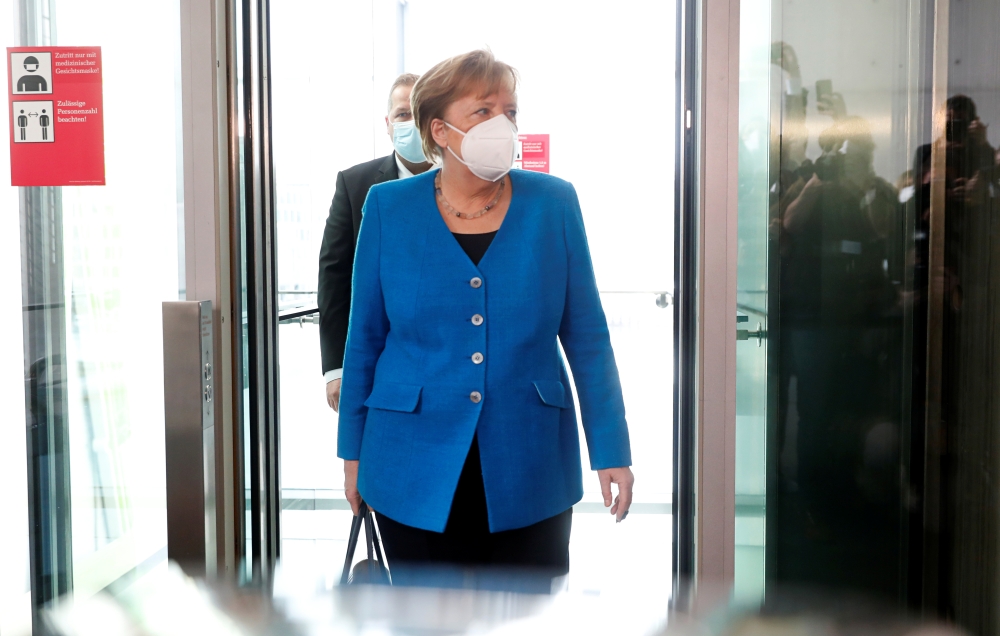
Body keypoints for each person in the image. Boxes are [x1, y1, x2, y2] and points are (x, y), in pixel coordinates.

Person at [337, 49, 634, 577]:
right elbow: (365, 339)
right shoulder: (387, 207)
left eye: (511, 111)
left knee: (524, 614)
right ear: (441, 129)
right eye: (483, 111)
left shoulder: (554, 203)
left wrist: (611, 448)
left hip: (530, 458)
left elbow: (587, 337)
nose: (503, 124)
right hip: (408, 458)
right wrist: (351, 452)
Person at [318, 73, 432, 411]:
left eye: (421, 113)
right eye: (402, 114)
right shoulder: (355, 184)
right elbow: (334, 276)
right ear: (387, 123)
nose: (411, 123)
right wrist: (335, 368)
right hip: (375, 361)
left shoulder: (464, 185)